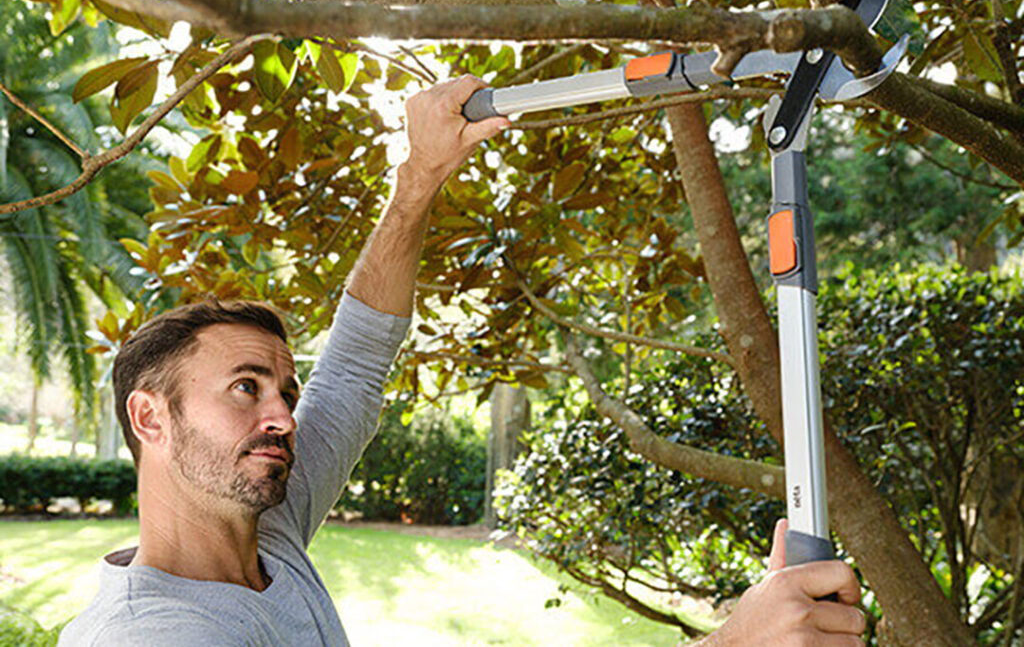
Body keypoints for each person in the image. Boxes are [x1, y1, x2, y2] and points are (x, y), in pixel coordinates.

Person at [58, 76, 865, 646]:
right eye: (245, 387)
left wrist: (422, 172)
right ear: (150, 416)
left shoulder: (265, 530)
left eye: (284, 389)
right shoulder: (152, 635)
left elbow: (356, 362)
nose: (283, 415)